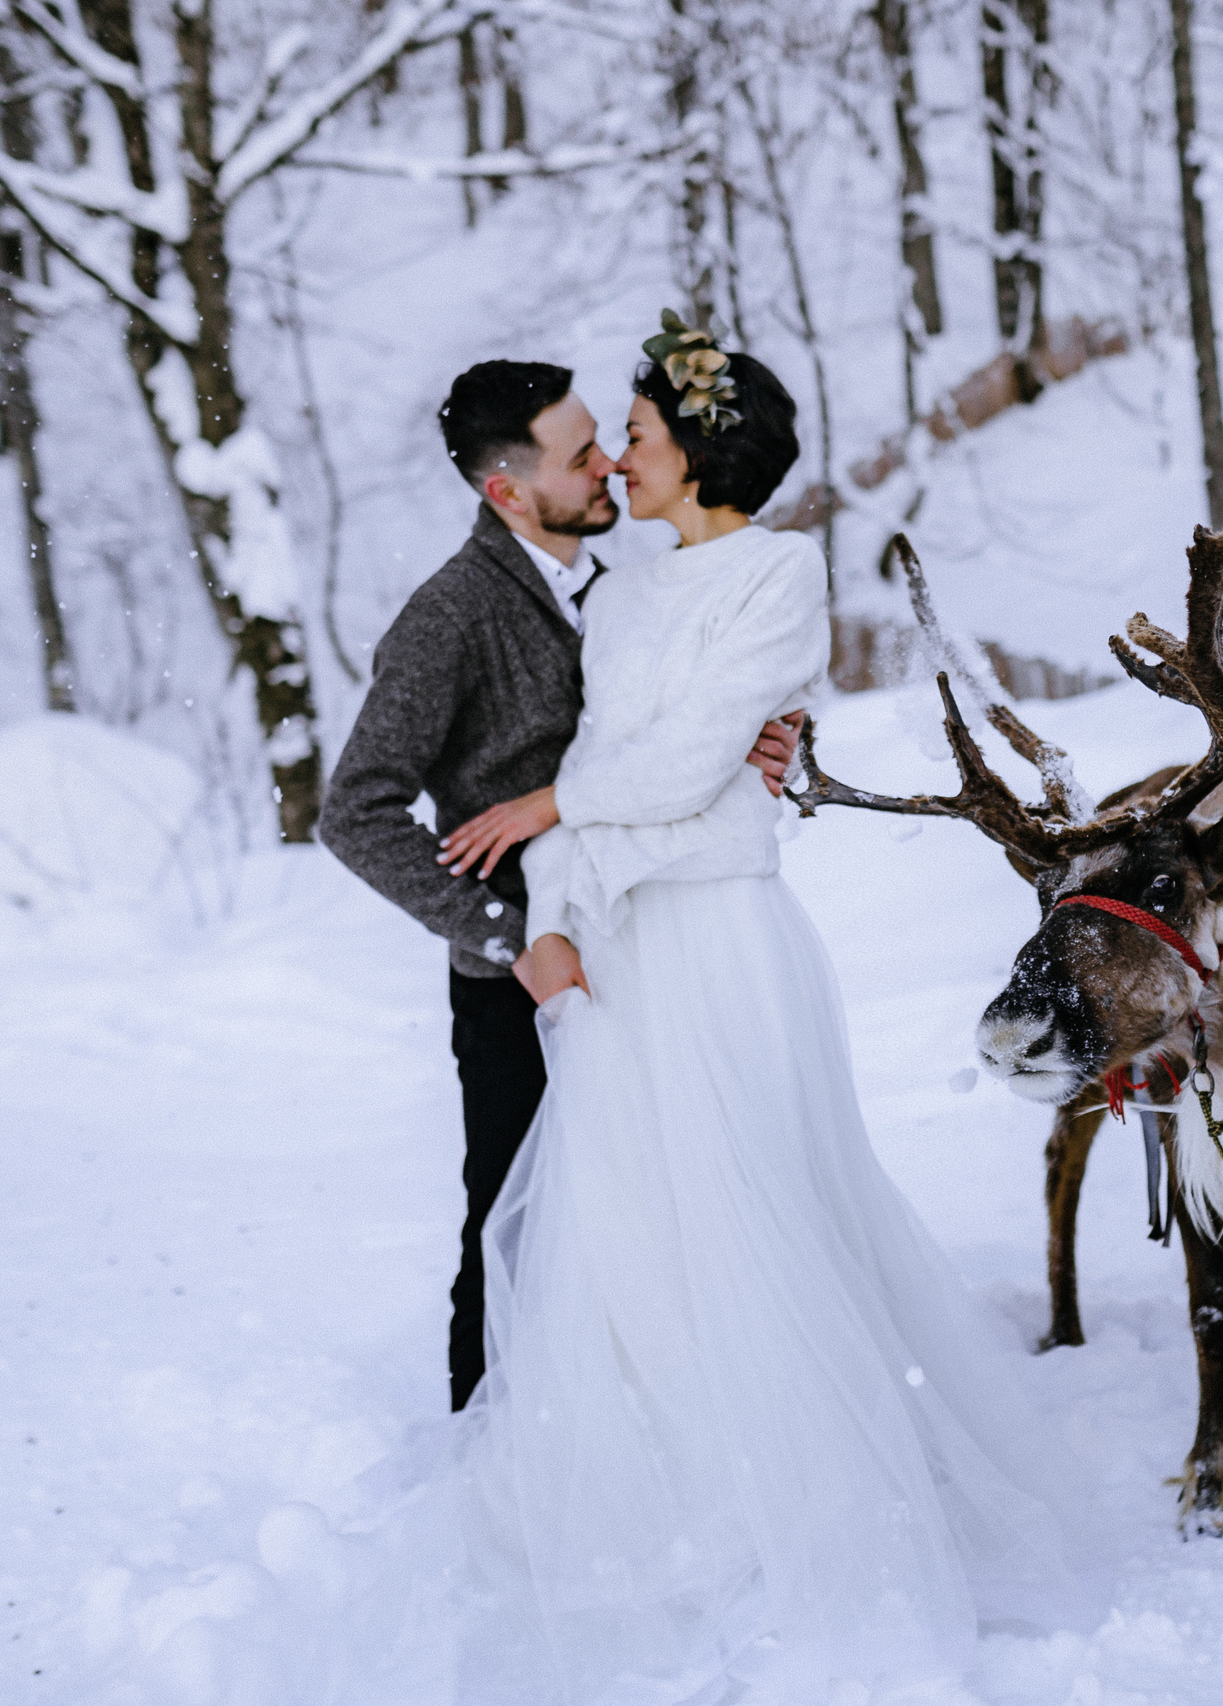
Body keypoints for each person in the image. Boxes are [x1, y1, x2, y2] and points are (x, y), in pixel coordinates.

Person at [431, 316, 1070, 1701]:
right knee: (633, 1225)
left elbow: (677, 759)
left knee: (753, 1211)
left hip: (719, 939)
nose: (619, 455)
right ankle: (677, 1495)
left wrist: (555, 808)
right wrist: (554, 914)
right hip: (620, 946)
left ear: (701, 455)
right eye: (609, 440)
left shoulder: (778, 574)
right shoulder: (621, 588)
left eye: (641, 435)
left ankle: (813, 1499)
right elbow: (625, 755)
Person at [319, 359, 797, 1412]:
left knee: (643, 1221)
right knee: (518, 1226)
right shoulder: (448, 617)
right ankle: (484, 1457)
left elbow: (663, 736)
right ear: (506, 490)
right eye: (580, 457)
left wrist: (766, 742)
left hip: (640, 946)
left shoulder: (626, 585)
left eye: (605, 441)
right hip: (519, 981)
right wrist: (508, 937)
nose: (608, 467)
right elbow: (352, 811)